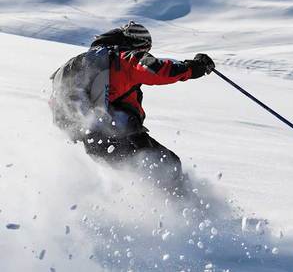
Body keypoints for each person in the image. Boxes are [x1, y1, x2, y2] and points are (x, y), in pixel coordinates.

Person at [49, 21, 215, 193]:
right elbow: (154, 69)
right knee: (169, 165)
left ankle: (136, 213)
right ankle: (185, 211)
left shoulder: (79, 63)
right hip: (116, 135)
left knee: (139, 177)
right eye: (144, 50)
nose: (145, 54)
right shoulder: (121, 58)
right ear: (134, 44)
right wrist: (195, 67)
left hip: (86, 141)